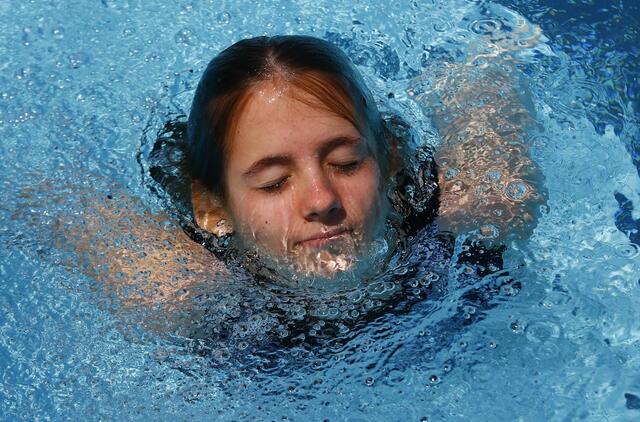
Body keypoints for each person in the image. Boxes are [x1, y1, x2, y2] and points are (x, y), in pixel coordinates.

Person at [185, 35, 544, 279]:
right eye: (275, 183)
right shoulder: (185, 290)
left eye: (346, 163)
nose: (322, 199)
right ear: (213, 209)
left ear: (389, 159)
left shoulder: (463, 217)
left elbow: (487, 75)